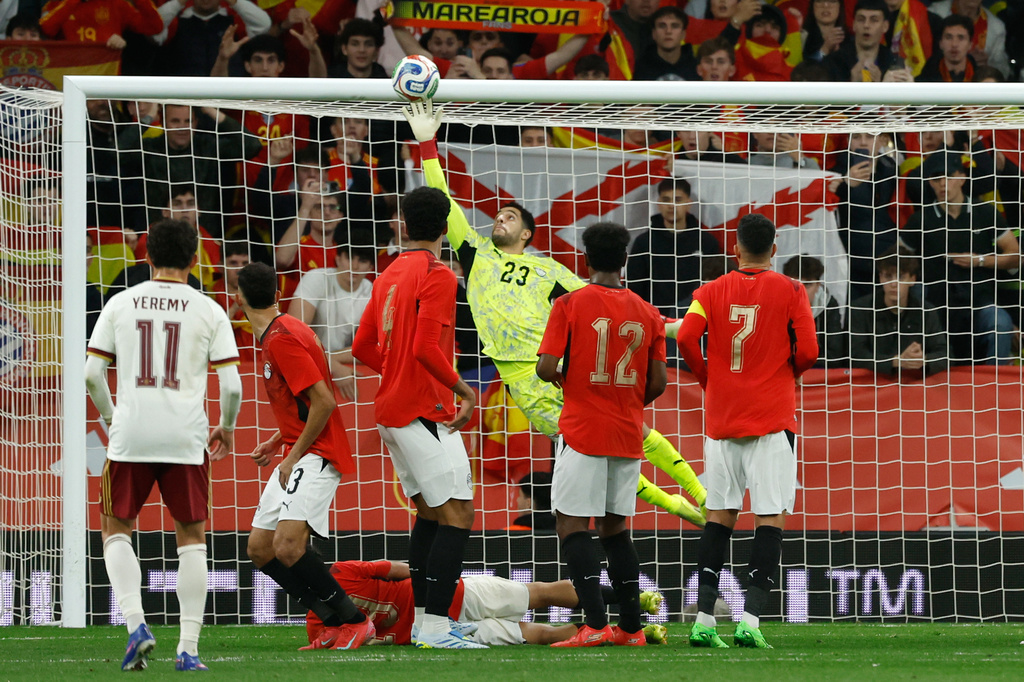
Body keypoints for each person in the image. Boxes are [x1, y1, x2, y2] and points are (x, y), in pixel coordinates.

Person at [403, 99, 707, 527]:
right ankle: (678, 507)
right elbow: (443, 199)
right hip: (523, 377)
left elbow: (610, 301)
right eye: (498, 215)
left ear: (526, 233)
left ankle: (699, 492)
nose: (501, 217)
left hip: (565, 365)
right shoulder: (475, 254)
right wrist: (427, 143)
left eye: (510, 216)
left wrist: (674, 329)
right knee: (586, 447)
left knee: (626, 428)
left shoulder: (549, 268)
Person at [84, 218, 243, 671]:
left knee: (116, 528)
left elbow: (92, 375)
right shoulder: (208, 309)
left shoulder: (120, 303)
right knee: (192, 539)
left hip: (131, 435)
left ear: (146, 255)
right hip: (186, 436)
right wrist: (227, 427)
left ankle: (137, 625)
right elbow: (231, 387)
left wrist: (112, 417)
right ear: (195, 261)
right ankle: (188, 650)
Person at [350, 186, 485, 650]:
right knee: (458, 514)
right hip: (421, 411)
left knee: (430, 513)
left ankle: (427, 623)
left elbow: (361, 347)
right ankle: (433, 627)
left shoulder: (388, 273)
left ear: (404, 225)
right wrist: (465, 390)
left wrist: (397, 370)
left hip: (391, 408)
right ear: (445, 227)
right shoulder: (439, 275)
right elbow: (426, 348)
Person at [677, 214, 818, 649]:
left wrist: (707, 378)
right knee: (769, 517)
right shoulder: (792, 289)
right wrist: (784, 373)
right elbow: (810, 351)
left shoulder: (708, 291)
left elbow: (684, 338)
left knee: (718, 516)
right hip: (772, 418)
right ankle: (750, 622)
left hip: (722, 420)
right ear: (773, 250)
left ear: (735, 249)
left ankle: (703, 620)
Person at [537, 222, 667, 647]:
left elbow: (544, 366)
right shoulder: (648, 313)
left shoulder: (569, 304)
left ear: (586, 260)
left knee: (572, 523)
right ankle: (631, 628)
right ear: (625, 260)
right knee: (616, 529)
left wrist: (565, 380)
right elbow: (659, 381)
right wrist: (626, 401)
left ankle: (594, 623)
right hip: (626, 432)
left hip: (583, 428)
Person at [237, 261, 374, 651]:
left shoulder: (282, 338)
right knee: (260, 548)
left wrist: (291, 454)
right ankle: (330, 622)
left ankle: (355, 621)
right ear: (278, 294)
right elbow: (304, 403)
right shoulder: (285, 331)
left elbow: (325, 401)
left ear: (239, 299)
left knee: (288, 546)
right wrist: (278, 440)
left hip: (316, 453)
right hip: (300, 448)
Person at [306, 560, 668, 646]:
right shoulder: (339, 577)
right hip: (443, 627)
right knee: (532, 632)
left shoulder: (341, 575)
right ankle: (628, 630)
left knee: (537, 595)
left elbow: (401, 569)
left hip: (456, 595)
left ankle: (628, 601)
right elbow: (400, 568)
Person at [898, 151, 1019, 364]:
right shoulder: (920, 219)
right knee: (922, 325)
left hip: (979, 300)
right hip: (935, 302)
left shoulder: (985, 213)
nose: (943, 184)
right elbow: (896, 258)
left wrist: (980, 260)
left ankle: (996, 385)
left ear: (962, 178)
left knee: (1000, 322)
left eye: (949, 177)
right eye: (936, 179)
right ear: (930, 183)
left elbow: (1015, 255)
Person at [291, 235, 375, 397]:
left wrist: (329, 361)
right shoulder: (315, 278)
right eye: (350, 258)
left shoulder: (371, 294)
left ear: (371, 267)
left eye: (362, 261)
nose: (355, 267)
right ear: (337, 258)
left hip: (341, 365)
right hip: (304, 363)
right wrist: (331, 365)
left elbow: (372, 348)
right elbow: (292, 335)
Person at [627, 178, 721, 320]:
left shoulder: (706, 242)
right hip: (655, 322)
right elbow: (634, 288)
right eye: (666, 200)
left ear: (689, 204)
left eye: (677, 200)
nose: (671, 205)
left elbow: (716, 287)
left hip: (696, 321)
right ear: (658, 204)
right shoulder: (644, 243)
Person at [849, 247, 947, 377]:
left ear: (912, 279)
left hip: (913, 386)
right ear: (880, 278)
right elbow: (855, 356)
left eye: (900, 277)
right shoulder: (860, 309)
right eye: (888, 276)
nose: (893, 283)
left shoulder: (927, 311)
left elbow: (945, 354)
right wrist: (896, 361)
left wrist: (923, 360)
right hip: (872, 384)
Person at [782, 255, 847, 367]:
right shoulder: (775, 304)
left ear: (818, 285)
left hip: (819, 374)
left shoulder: (829, 305)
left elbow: (834, 356)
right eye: (795, 284)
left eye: (807, 285)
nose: (801, 290)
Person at [823, 0, 902, 83]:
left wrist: (882, 87)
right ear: (854, 25)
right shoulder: (833, 63)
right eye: (861, 20)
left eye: (874, 20)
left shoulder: (893, 64)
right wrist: (853, 83)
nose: (866, 25)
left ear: (885, 26)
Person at [633, 6, 698, 81]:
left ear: (683, 34)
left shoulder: (696, 68)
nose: (668, 31)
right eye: (662, 26)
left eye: (674, 26)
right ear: (654, 34)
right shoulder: (640, 68)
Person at [918, 14, 976, 82]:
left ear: (970, 45)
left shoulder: (981, 80)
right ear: (940, 43)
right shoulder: (922, 82)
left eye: (961, 38)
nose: (954, 44)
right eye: (948, 38)